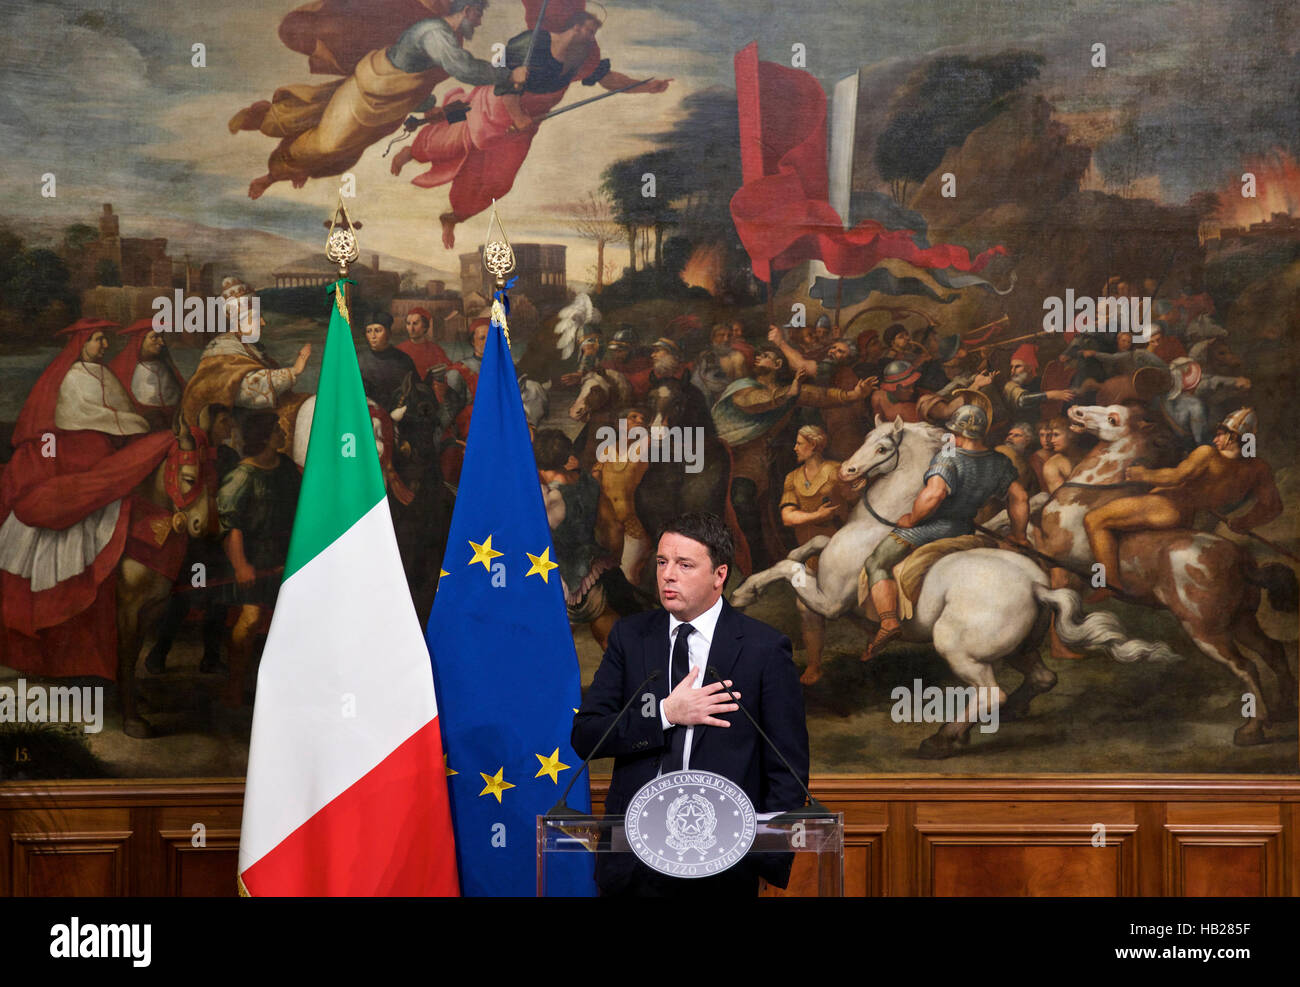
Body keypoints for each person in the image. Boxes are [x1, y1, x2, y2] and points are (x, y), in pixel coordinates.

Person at [572, 511, 810, 896]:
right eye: (663, 562)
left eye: (684, 565)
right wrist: (666, 713)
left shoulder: (764, 649)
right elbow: (587, 734)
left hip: (724, 862)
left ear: (719, 575)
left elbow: (787, 770)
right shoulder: (630, 638)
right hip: (634, 861)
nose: (667, 575)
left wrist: (766, 857)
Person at [396, 9, 672, 247]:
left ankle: (453, 216)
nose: (592, 38)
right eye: (590, 30)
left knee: (499, 181)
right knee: (456, 138)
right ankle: (413, 152)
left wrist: (646, 87)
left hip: (527, 124)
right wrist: (516, 115)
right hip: (499, 107)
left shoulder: (582, 56)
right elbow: (504, 79)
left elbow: (608, 79)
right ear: (575, 26)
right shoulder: (532, 43)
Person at [233, 0, 523, 199]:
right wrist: (508, 75)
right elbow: (464, 69)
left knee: (337, 151)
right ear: (468, 9)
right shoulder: (435, 33)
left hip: (388, 109)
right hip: (369, 95)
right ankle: (273, 164)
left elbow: (415, 83)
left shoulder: (447, 39)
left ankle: (288, 169)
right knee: (327, 143)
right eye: (478, 14)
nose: (480, 22)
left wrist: (427, 107)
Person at [861, 402, 1029, 660]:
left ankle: (888, 622)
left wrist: (912, 518)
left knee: (876, 561)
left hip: (932, 529)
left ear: (959, 432)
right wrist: (1019, 534)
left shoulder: (949, 456)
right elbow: (1019, 497)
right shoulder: (999, 461)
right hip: (965, 529)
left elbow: (935, 494)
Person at [1083, 408, 1280, 596]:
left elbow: (1176, 477)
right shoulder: (1259, 469)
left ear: (1233, 437)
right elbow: (1273, 507)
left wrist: (1143, 474)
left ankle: (1108, 583)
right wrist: (1244, 521)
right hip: (1188, 519)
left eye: (1220, 434)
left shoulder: (1208, 454)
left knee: (1094, 519)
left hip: (1167, 507)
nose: (1215, 439)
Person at [779, 426, 849, 685]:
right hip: (807, 556)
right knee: (806, 609)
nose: (795, 448)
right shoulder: (791, 478)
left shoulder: (835, 471)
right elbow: (787, 517)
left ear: (815, 445)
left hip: (837, 550)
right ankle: (814, 666)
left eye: (800, 443)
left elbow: (849, 504)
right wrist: (817, 516)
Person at [109, 319, 186, 430]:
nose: (162, 342)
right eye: (154, 337)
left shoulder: (167, 367)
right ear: (140, 341)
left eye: (161, 337)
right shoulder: (120, 367)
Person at [357, 312, 417, 411]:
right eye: (369, 331)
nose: (373, 336)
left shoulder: (404, 360)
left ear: (389, 333)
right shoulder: (358, 360)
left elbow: (415, 393)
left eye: (378, 330)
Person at [396, 307, 453, 380]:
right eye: (408, 323)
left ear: (425, 327)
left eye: (415, 324)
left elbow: (449, 370)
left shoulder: (436, 350)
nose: (411, 328)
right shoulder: (399, 350)